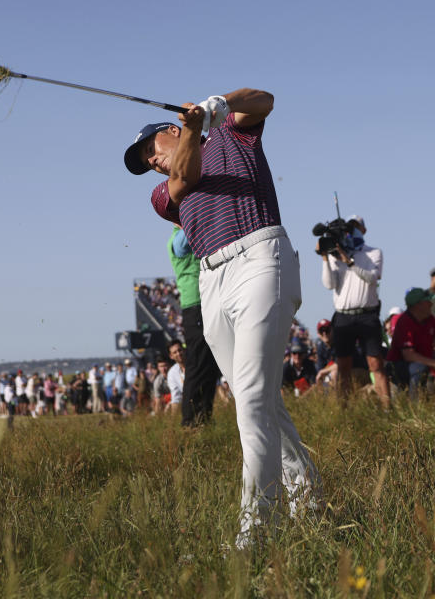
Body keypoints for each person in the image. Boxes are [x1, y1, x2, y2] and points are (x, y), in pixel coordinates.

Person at [123, 88, 321, 547]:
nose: (150, 163)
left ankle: (257, 534)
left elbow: (266, 100)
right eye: (144, 161)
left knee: (251, 404)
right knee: (263, 403)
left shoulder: (232, 133)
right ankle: (307, 492)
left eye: (150, 150)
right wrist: (194, 129)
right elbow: (186, 176)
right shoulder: (162, 193)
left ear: (170, 131)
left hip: (259, 258)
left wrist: (219, 101)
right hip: (212, 282)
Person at [318, 215, 389, 407]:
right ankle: (344, 410)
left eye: (355, 226)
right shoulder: (335, 256)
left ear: (363, 230)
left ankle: (388, 409)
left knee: (376, 364)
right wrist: (326, 258)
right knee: (343, 366)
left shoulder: (373, 253)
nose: (351, 230)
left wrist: (349, 261)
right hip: (343, 317)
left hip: (367, 314)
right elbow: (329, 284)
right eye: (349, 227)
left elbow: (372, 278)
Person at [168, 225, 224, 426]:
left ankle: (204, 416)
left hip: (205, 303)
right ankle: (190, 420)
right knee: (198, 362)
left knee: (210, 363)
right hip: (195, 306)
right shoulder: (177, 240)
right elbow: (192, 227)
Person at [386, 288, 435, 402]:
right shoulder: (404, 322)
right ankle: (416, 408)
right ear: (417, 305)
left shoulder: (430, 319)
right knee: (419, 368)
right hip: (399, 366)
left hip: (422, 362)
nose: (431, 304)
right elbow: (408, 355)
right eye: (427, 301)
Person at [165, 340, 186, 416]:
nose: (178, 353)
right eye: (175, 352)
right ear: (171, 356)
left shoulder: (195, 364)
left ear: (184, 349)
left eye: (180, 350)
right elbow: (176, 397)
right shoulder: (172, 373)